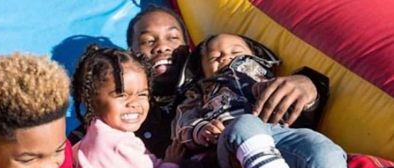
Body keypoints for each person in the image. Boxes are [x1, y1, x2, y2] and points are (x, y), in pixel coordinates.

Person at [174, 33, 364, 168]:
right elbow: (183, 123)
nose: (226, 58)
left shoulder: (264, 80)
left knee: (323, 148)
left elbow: (299, 103)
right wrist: (201, 130)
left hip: (277, 136)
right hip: (229, 141)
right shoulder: (199, 93)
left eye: (236, 52)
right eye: (215, 58)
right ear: (202, 70)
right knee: (245, 124)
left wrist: (306, 88)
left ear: (256, 57)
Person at [125, 5, 329, 159]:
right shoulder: (124, 109)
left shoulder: (218, 86)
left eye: (173, 38)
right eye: (148, 41)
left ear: (189, 48)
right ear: (130, 53)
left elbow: (289, 122)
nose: (162, 47)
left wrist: (310, 85)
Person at [72, 45, 183, 168]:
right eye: (121, 95)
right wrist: (172, 164)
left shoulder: (94, 132)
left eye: (142, 94)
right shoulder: (118, 144)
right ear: (92, 99)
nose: (134, 103)